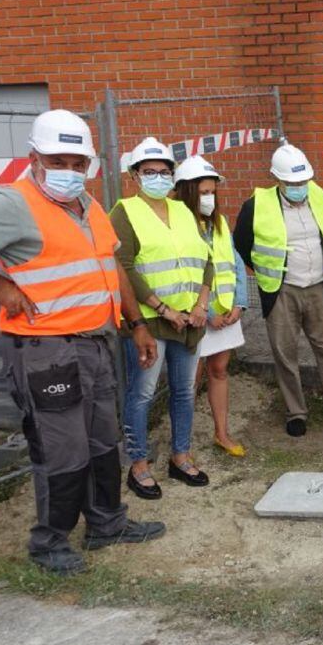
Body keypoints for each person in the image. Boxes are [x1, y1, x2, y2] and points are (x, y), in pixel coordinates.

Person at [0, 110, 164, 575]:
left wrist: (137, 323)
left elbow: (113, 267)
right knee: (62, 449)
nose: (68, 171)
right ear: (34, 158)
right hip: (44, 349)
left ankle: (107, 523)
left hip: (95, 343)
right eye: (57, 160)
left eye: (77, 162)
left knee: (103, 441)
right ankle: (50, 543)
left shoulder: (89, 206)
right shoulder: (12, 203)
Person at [234, 142, 323, 436]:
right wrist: (264, 272)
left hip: (319, 286)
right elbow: (242, 244)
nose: (299, 187)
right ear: (277, 179)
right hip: (282, 290)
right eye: (292, 183)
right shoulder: (255, 206)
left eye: (303, 181)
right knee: (285, 353)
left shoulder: (320, 195)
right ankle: (296, 412)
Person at [112, 138, 213, 499]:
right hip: (151, 322)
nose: (157, 177)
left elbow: (207, 260)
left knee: (184, 392)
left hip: (189, 322)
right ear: (135, 175)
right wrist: (163, 309)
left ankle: (180, 457)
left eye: (164, 172)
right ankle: (138, 465)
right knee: (142, 393)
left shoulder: (184, 211)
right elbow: (122, 267)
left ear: (173, 175)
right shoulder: (124, 211)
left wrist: (201, 305)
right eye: (149, 172)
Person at [173, 155, 249, 457]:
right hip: (198, 316)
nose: (209, 197)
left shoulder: (217, 222)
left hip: (226, 314)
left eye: (212, 191)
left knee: (219, 369)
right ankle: (183, 443)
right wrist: (207, 314)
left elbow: (235, 262)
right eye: (203, 192)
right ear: (187, 191)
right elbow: (181, 274)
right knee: (190, 378)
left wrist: (239, 303)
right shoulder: (178, 225)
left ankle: (222, 433)